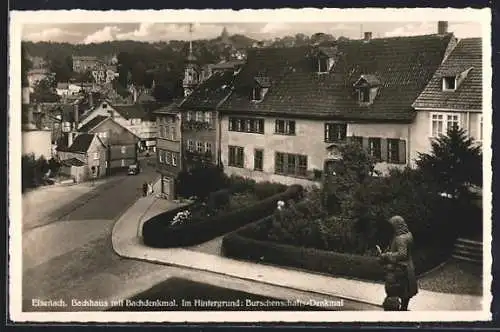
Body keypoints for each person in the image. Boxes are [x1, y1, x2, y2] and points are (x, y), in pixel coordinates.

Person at [378, 215, 418, 311]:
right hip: (408, 268)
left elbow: (402, 254)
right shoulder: (408, 235)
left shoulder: (400, 238)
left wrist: (387, 255)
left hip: (399, 270)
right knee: (406, 295)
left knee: (394, 293)